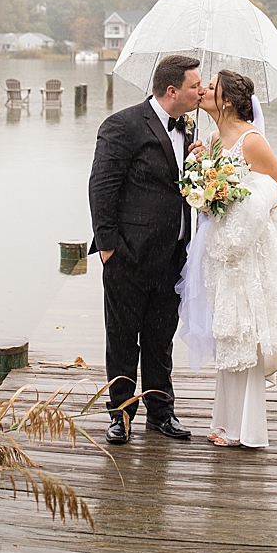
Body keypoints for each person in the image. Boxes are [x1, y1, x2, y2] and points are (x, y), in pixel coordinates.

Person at [87, 53, 204, 445]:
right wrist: (108, 249)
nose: (200, 90)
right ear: (172, 91)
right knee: (122, 339)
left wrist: (198, 164)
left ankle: (161, 412)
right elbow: (102, 189)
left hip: (174, 257)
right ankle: (120, 415)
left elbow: (180, 186)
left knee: (160, 338)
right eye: (194, 86)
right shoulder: (122, 125)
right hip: (128, 256)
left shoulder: (188, 130)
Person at [181, 68, 277, 449]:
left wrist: (235, 197)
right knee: (228, 331)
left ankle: (247, 429)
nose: (202, 91)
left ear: (227, 100)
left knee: (245, 330)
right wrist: (201, 168)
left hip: (249, 252)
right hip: (222, 252)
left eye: (210, 87)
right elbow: (208, 192)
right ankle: (226, 422)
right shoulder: (214, 139)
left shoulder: (252, 141)